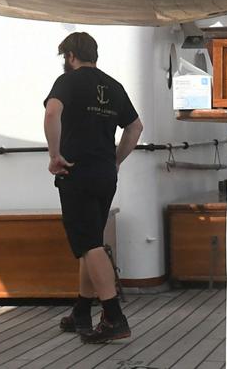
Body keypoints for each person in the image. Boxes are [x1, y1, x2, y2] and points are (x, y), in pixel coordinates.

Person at [45, 31, 142, 344]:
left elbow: (51, 113)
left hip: (77, 172)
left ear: (71, 56)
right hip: (104, 173)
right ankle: (82, 311)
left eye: (65, 57)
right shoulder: (114, 86)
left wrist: (54, 154)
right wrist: (116, 160)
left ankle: (114, 317)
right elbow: (135, 127)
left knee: (89, 245)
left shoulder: (68, 81)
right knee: (92, 241)